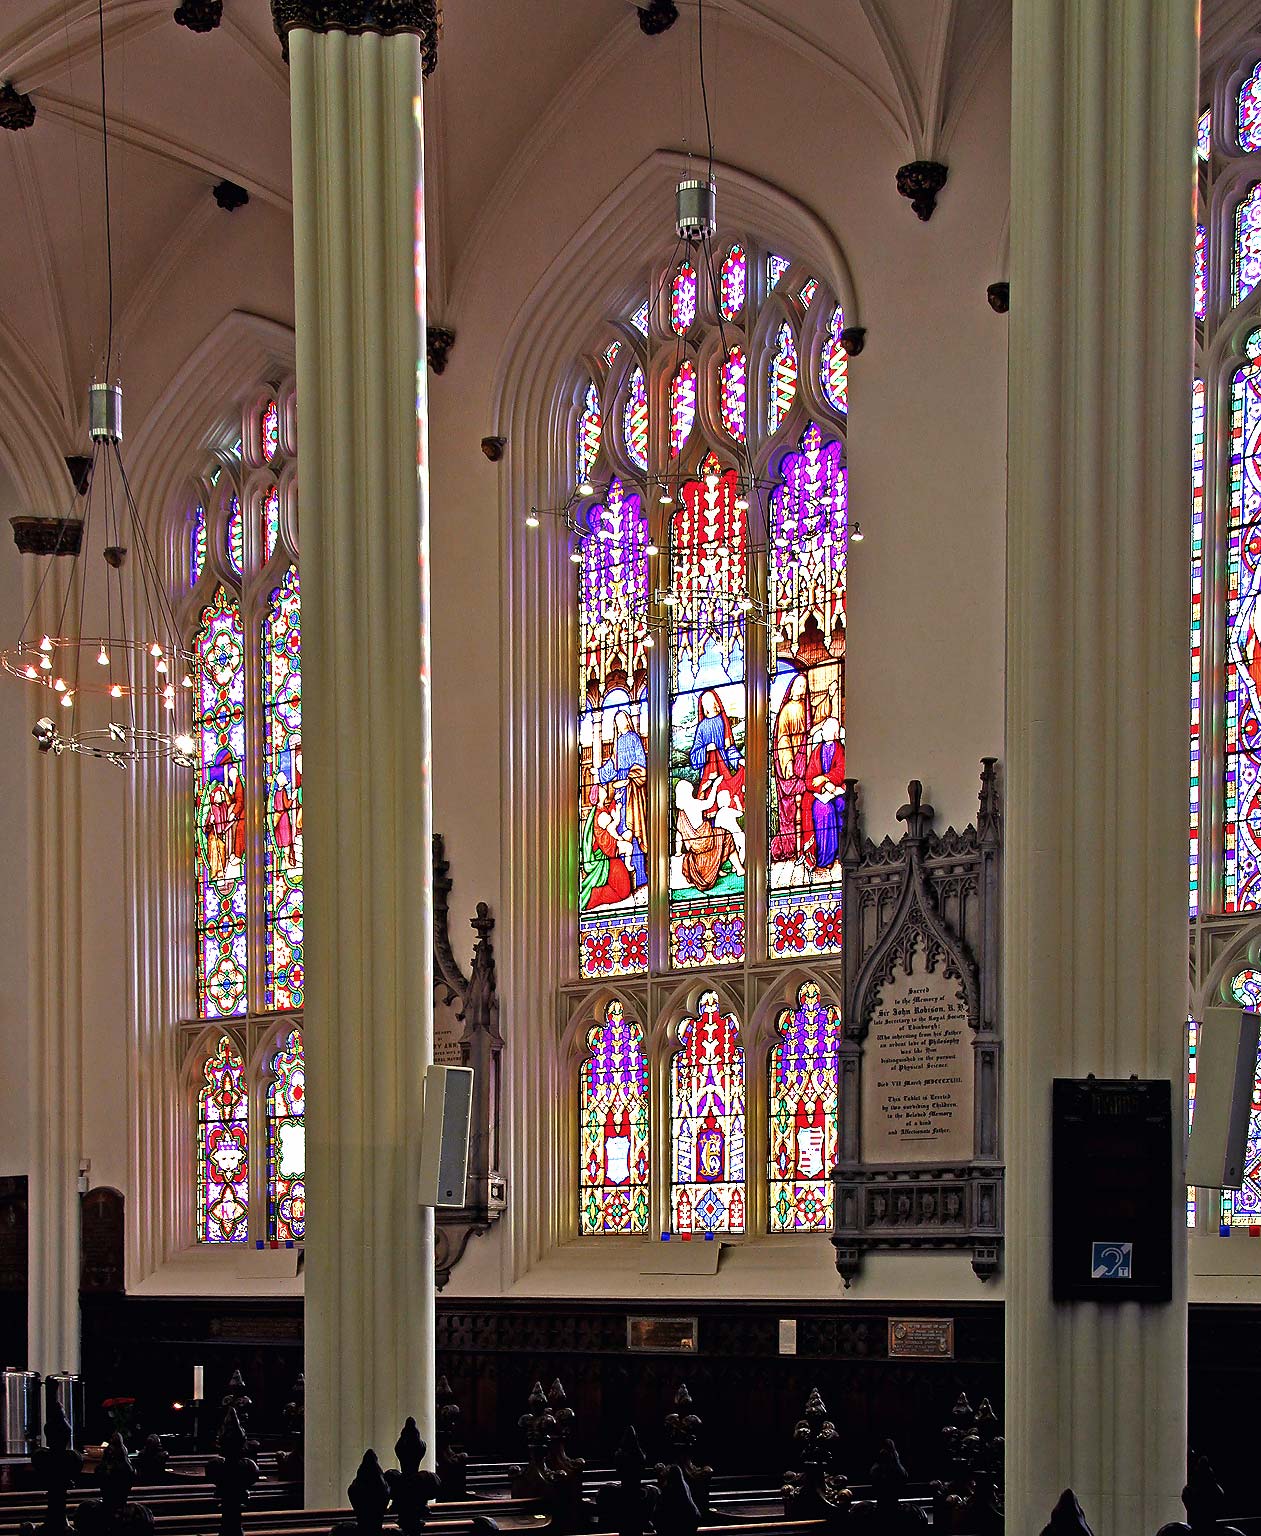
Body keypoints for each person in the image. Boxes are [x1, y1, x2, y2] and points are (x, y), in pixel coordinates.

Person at [597, 710, 648, 887]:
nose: (620, 723)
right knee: (620, 828)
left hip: (633, 789)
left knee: (633, 828)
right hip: (620, 790)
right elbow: (613, 763)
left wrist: (630, 778)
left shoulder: (634, 738)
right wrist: (600, 773)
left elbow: (642, 763)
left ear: (627, 720)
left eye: (622, 719)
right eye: (616, 721)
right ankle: (625, 879)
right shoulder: (617, 743)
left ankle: (641, 875)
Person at [675, 778, 742, 893]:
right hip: (705, 840)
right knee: (726, 835)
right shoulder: (695, 804)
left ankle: (718, 869)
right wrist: (715, 786)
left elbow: (679, 833)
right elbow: (709, 803)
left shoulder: (681, 812)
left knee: (719, 837)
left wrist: (678, 851)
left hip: (694, 845)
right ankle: (740, 869)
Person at [770, 673, 809, 859]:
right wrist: (788, 762)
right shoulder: (786, 710)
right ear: (792, 687)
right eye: (798, 685)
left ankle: (805, 848)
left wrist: (831, 696)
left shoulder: (806, 708)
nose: (801, 689)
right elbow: (782, 738)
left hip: (804, 758)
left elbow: (819, 714)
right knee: (789, 807)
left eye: (804, 686)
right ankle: (789, 845)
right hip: (791, 762)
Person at [801, 716, 846, 869]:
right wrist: (822, 786)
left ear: (835, 733)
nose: (823, 731)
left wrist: (826, 778)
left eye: (827, 729)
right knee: (824, 810)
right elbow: (809, 779)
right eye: (824, 728)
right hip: (819, 796)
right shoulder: (816, 752)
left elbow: (842, 771)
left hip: (837, 791)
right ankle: (824, 858)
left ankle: (841, 853)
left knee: (843, 806)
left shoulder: (840, 750)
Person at [689, 689, 744, 805]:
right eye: (705, 703)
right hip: (707, 774)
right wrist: (706, 749)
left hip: (724, 770)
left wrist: (739, 760)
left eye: (710, 702)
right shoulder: (702, 727)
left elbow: (729, 748)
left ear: (716, 704)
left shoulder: (723, 722)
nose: (708, 706)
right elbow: (694, 756)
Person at [581, 792, 633, 910]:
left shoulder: (601, 809)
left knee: (623, 889)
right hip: (608, 849)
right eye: (601, 789)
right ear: (598, 795)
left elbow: (609, 813)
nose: (604, 789)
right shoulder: (600, 816)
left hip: (610, 848)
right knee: (623, 891)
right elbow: (611, 826)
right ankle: (594, 895)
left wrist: (615, 800)